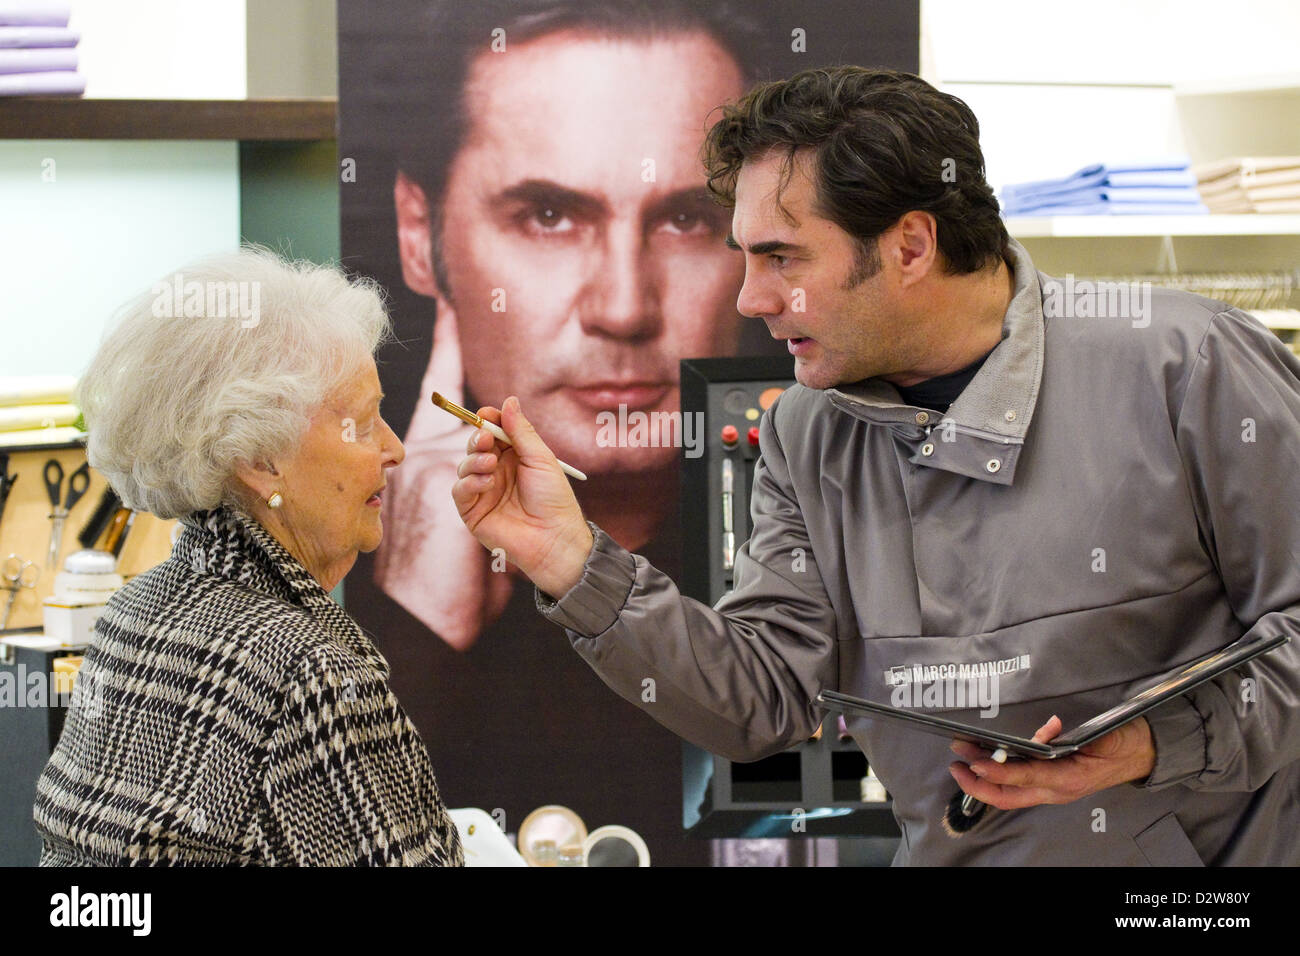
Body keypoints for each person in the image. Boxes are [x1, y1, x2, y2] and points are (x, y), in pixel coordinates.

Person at [451, 67, 1300, 865]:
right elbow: (762, 698)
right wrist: (570, 561)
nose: (750, 298)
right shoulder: (807, 435)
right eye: (744, 258)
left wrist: (1153, 746)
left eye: (781, 257)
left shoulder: (1188, 365)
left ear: (910, 246)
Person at [33, 247, 463, 866]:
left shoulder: (134, 612)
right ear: (260, 461)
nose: (393, 450)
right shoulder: (311, 677)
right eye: (364, 423)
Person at [377, 0, 770, 649]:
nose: (623, 310)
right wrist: (414, 628)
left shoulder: (834, 553)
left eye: (686, 219)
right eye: (550, 215)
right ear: (420, 235)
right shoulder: (315, 601)